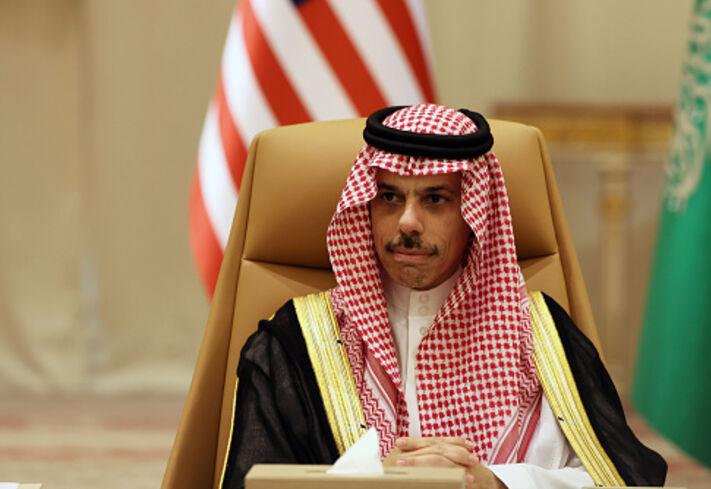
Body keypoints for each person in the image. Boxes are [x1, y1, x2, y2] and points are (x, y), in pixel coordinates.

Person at [220, 104, 666, 489]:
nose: (408, 222)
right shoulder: (295, 346)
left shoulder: (541, 338)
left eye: (434, 200)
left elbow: (621, 478)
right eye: (389, 197)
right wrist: (376, 480)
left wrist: (496, 482)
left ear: (474, 214)